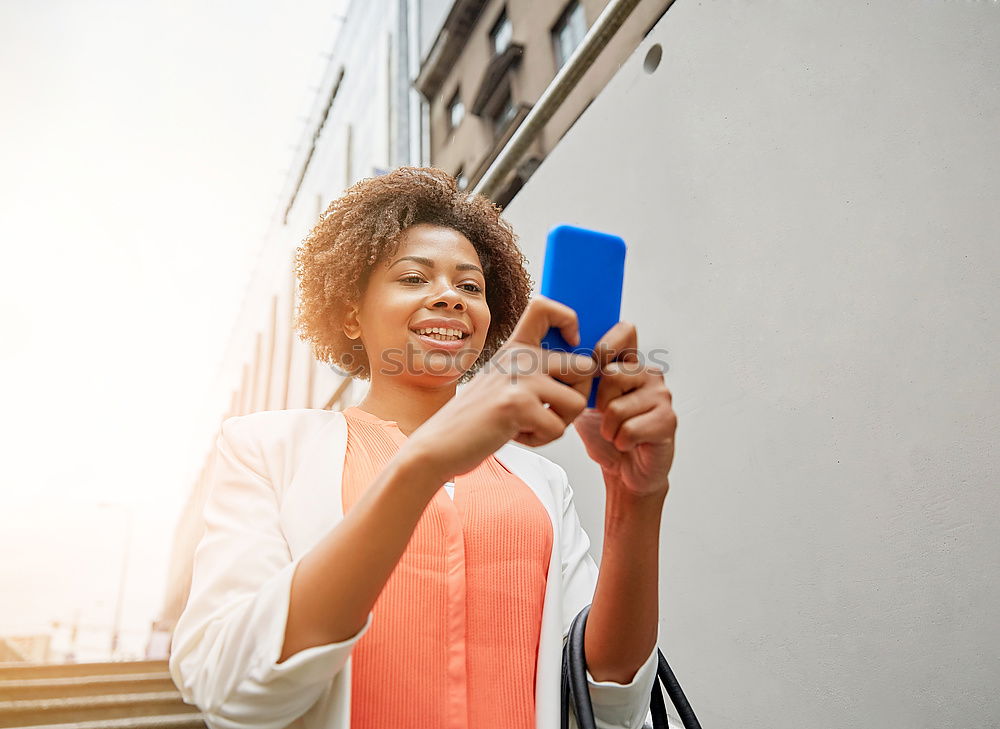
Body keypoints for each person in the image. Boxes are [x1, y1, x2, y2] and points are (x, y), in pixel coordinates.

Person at [168, 166, 678, 729]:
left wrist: (636, 497)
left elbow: (606, 699)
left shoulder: (541, 482)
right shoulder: (263, 448)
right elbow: (230, 684)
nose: (450, 298)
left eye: (470, 287)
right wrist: (425, 461)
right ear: (349, 314)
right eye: (414, 278)